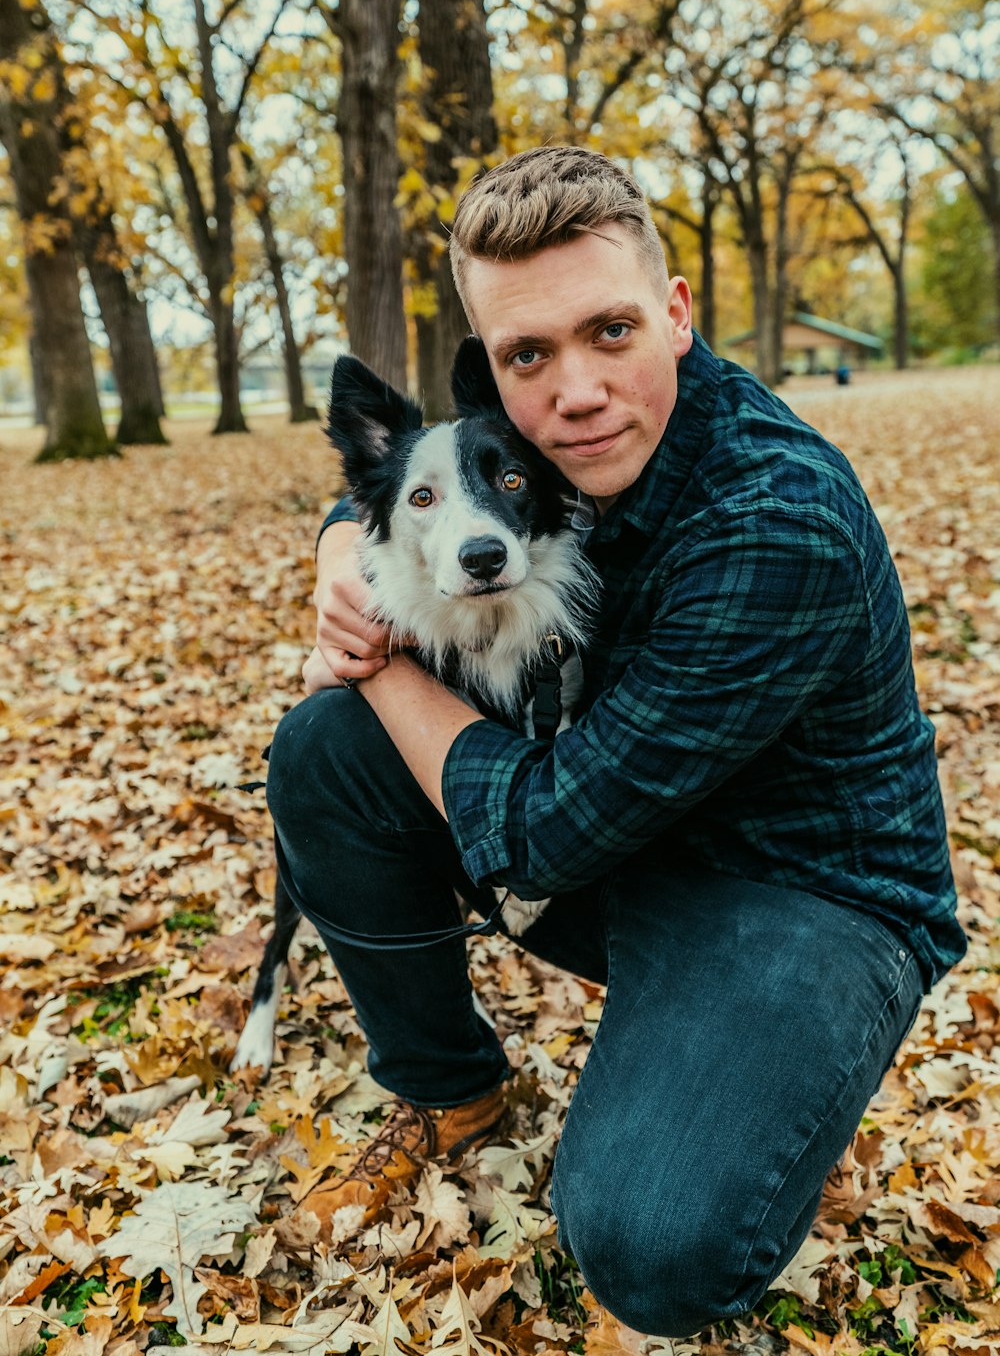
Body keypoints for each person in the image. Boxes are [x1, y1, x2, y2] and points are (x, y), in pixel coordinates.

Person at [266, 146, 965, 1336]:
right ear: (492, 371)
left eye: (611, 331)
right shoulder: (528, 437)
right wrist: (345, 557)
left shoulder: (775, 515)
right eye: (527, 355)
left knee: (651, 1246)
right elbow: (394, 477)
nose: (576, 389)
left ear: (676, 315)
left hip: (802, 893)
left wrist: (377, 649)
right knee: (321, 749)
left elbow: (541, 835)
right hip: (626, 847)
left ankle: (770, 1071)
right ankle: (452, 1094)